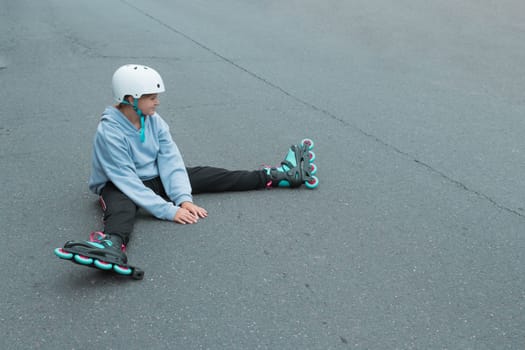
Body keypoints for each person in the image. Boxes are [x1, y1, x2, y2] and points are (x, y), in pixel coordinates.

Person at [54, 64, 318, 278]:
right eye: (152, 97)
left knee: (212, 175)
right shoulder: (109, 131)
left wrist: (183, 198)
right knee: (123, 207)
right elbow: (126, 180)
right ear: (131, 99)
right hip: (119, 184)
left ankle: (279, 175)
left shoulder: (154, 121)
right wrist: (170, 211)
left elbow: (171, 161)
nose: (157, 102)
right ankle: (111, 244)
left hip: (155, 179)